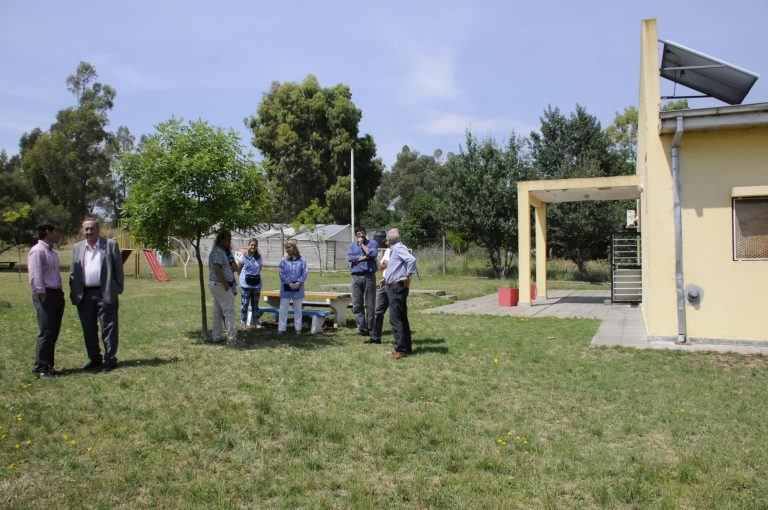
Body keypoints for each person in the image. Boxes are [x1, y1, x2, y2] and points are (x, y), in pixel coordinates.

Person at [69, 218, 125, 371]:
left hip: (105, 292)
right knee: (88, 328)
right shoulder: (77, 247)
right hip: (84, 294)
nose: (89, 232)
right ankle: (94, 359)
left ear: (98, 229)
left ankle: (110, 359)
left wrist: (118, 288)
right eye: (86, 229)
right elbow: (73, 272)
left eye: (92, 228)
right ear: (83, 230)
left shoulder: (110, 245)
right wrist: (74, 291)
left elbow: (119, 269)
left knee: (109, 327)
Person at [28, 221, 65, 379]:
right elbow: (35, 275)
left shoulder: (52, 253)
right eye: (56, 230)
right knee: (47, 331)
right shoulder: (38, 251)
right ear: (47, 232)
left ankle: (49, 365)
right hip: (45, 295)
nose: (59, 234)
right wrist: (42, 294)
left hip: (56, 294)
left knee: (53, 332)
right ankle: (41, 367)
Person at [382, 228, 417, 359]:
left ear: (390, 241)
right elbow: (396, 267)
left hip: (397, 287)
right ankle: (406, 347)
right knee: (402, 317)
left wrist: (407, 275)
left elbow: (411, 260)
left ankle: (400, 349)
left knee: (396, 318)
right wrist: (385, 279)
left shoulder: (397, 248)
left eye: (386, 240)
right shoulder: (396, 249)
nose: (385, 242)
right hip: (394, 285)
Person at [208, 229, 238, 345]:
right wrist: (226, 284)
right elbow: (217, 268)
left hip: (216, 284)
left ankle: (216, 335)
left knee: (218, 311)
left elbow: (232, 268)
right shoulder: (218, 252)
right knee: (229, 311)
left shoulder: (220, 252)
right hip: (220, 284)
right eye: (227, 240)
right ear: (221, 240)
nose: (229, 243)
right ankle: (231, 338)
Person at [347, 227, 378, 335]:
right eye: (359, 234)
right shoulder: (352, 245)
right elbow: (350, 258)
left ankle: (371, 328)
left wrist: (363, 246)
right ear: (356, 235)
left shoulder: (372, 243)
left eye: (363, 234)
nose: (361, 236)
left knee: (370, 304)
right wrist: (365, 257)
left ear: (365, 234)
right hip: (356, 277)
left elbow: (373, 254)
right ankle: (362, 329)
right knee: (357, 304)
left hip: (369, 276)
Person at [366, 234, 392, 345]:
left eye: (387, 240)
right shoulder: (387, 251)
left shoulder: (401, 250)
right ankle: (376, 337)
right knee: (378, 311)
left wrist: (387, 264)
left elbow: (394, 265)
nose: (385, 242)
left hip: (395, 285)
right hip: (384, 283)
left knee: (396, 315)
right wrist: (385, 266)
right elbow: (380, 266)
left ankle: (401, 341)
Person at [278, 240, 308, 335]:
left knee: (298, 309)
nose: (288, 249)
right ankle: (281, 328)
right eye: (286, 248)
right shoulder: (283, 260)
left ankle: (298, 328)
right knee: (283, 309)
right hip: (286, 287)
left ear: (294, 248)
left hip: (298, 287)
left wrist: (299, 282)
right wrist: (289, 282)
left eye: (289, 247)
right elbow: (281, 273)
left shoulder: (302, 260)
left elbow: (305, 272)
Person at [237, 238, 263, 328]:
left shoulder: (259, 257)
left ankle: (256, 322)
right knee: (245, 304)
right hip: (245, 284)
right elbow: (239, 269)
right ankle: (243, 323)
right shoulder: (243, 256)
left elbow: (259, 269)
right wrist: (241, 279)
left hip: (256, 284)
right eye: (251, 245)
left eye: (255, 245)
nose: (253, 247)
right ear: (248, 245)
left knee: (255, 304)